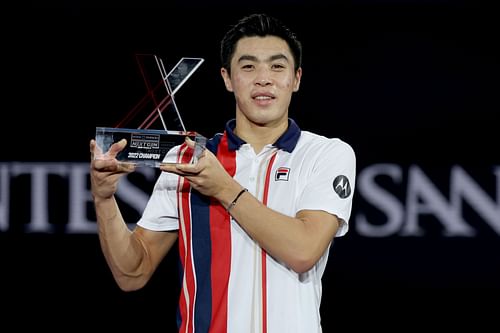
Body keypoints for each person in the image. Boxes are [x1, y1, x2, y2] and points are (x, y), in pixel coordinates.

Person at [90, 13, 356, 333]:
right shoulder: (188, 159)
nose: (263, 78)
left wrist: (224, 188)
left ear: (296, 78)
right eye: (248, 66)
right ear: (227, 78)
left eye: (277, 66)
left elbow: (303, 251)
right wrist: (104, 199)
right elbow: (132, 274)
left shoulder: (325, 154)